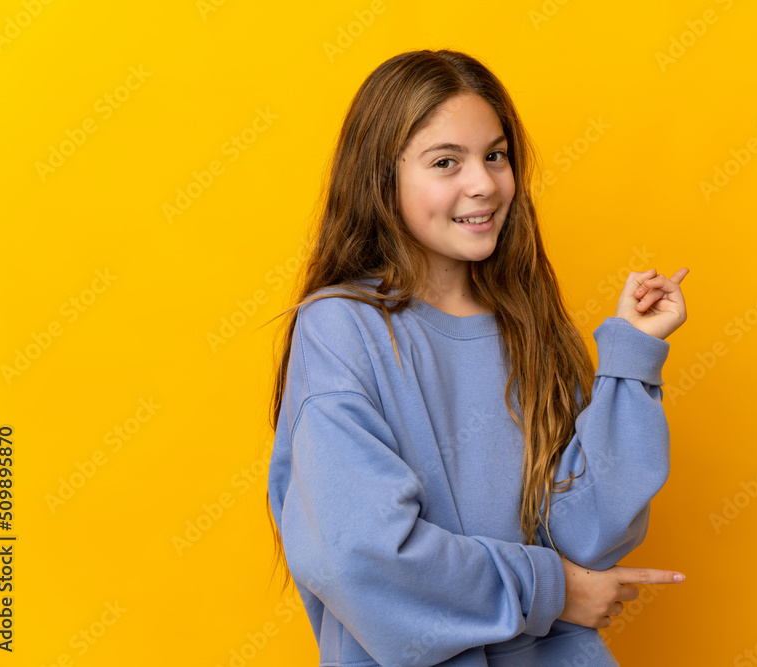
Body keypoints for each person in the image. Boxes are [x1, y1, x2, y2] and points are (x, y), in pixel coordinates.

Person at [264, 48, 690, 666]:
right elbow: (358, 552)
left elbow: (588, 536)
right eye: (446, 162)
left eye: (495, 155)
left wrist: (631, 360)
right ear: (382, 179)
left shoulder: (532, 328)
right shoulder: (341, 327)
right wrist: (552, 589)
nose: (484, 184)